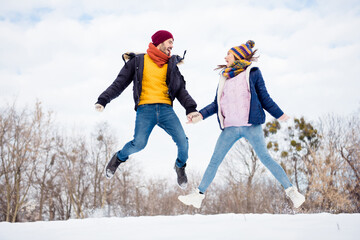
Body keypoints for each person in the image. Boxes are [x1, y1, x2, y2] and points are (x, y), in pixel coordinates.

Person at [178, 40, 305, 208]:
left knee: (265, 158)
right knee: (215, 160)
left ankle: (292, 193)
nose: (225, 57)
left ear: (237, 56)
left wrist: (279, 114)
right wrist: (199, 115)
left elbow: (264, 98)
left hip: (251, 126)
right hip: (230, 128)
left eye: (228, 54)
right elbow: (216, 104)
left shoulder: (253, 73)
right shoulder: (224, 77)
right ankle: (198, 196)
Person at [95, 30, 199, 189]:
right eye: (169, 41)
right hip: (145, 110)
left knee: (183, 142)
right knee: (139, 144)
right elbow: (119, 83)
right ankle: (118, 157)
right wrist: (103, 99)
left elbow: (180, 90)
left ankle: (180, 166)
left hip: (166, 110)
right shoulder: (138, 61)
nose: (172, 46)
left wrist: (191, 108)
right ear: (160, 42)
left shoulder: (171, 65)